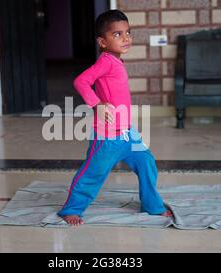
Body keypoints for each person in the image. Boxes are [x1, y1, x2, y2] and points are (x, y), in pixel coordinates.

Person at [57, 10, 172, 226]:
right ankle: (71, 210)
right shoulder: (107, 61)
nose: (126, 38)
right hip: (108, 136)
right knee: (93, 174)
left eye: (128, 32)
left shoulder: (116, 61)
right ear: (102, 41)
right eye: (117, 34)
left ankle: (152, 205)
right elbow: (81, 81)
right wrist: (97, 104)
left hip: (127, 132)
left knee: (146, 162)